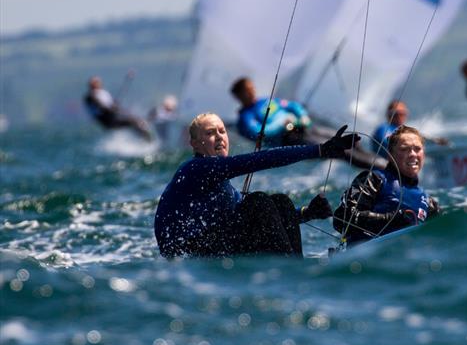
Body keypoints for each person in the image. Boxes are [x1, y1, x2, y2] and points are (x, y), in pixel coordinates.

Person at [154, 113, 360, 258]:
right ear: (195, 144)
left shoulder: (222, 185)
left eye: (222, 131)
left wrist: (308, 212)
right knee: (258, 201)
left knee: (280, 202)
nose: (219, 137)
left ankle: (296, 268)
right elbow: (259, 160)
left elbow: (269, 219)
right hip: (188, 252)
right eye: (210, 133)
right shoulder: (194, 169)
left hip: (211, 244)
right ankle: (289, 270)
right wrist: (319, 150)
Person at [333, 125, 439, 244]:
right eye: (405, 149)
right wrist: (388, 219)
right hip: (367, 257)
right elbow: (341, 219)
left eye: (417, 149)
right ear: (390, 155)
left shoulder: (429, 203)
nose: (413, 154)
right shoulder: (373, 180)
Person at [230, 77, 311, 146]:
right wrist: (281, 124)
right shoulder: (245, 117)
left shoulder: (266, 100)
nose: (251, 92)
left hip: (299, 127)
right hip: (287, 139)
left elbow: (291, 105)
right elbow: (259, 133)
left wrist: (303, 115)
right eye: (247, 91)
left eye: (251, 88)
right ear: (239, 96)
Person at [84, 76, 153, 140]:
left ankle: (144, 140)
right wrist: (112, 108)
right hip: (108, 121)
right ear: (92, 84)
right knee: (134, 121)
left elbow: (111, 106)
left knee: (136, 120)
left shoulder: (102, 92)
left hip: (112, 118)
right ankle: (148, 142)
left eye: (99, 82)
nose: (99, 83)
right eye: (97, 82)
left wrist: (116, 107)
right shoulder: (90, 96)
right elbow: (102, 107)